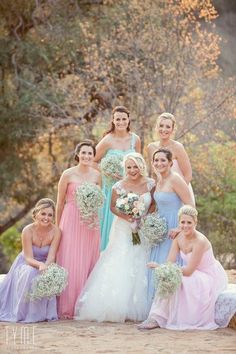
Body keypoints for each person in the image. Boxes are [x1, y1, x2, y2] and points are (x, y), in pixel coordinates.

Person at [74, 153, 155, 322]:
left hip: (143, 228)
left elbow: (153, 204)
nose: (132, 170)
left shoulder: (150, 184)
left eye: (135, 167)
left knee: (140, 260)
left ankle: (137, 306)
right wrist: (129, 218)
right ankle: (116, 306)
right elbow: (112, 207)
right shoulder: (118, 186)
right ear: (124, 169)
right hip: (123, 228)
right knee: (121, 259)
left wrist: (143, 217)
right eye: (128, 167)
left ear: (141, 167)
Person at [138, 205, 228, 330]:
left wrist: (160, 267)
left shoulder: (200, 241)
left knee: (180, 279)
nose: (185, 226)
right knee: (167, 277)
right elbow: (170, 262)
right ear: (179, 222)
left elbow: (189, 271)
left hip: (207, 275)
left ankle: (174, 317)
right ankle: (156, 317)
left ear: (196, 222)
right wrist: (163, 269)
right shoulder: (178, 238)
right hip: (191, 272)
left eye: (189, 222)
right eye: (182, 222)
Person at [56, 140, 101, 319]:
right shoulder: (67, 175)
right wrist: (57, 228)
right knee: (70, 259)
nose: (87, 156)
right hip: (71, 218)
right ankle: (67, 306)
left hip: (90, 222)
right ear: (77, 155)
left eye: (90, 153)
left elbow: (100, 200)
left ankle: (84, 305)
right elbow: (59, 203)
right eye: (84, 153)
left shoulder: (98, 176)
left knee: (87, 259)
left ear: (93, 156)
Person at [0, 198, 61, 323]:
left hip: (45, 263)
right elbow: (28, 258)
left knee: (47, 274)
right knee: (30, 272)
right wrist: (39, 265)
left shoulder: (56, 231)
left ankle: (39, 313)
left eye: (50, 215)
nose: (46, 217)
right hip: (26, 263)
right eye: (43, 213)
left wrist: (46, 267)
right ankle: (24, 313)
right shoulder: (27, 230)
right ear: (36, 214)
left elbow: (51, 256)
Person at [147, 148, 194, 309]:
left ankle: (171, 308)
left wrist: (180, 228)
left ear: (170, 163)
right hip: (160, 230)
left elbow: (190, 206)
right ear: (152, 163)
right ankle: (157, 308)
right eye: (156, 160)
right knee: (157, 264)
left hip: (174, 229)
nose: (159, 163)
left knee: (168, 265)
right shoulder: (158, 181)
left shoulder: (176, 179)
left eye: (163, 160)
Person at [94, 106, 141, 250]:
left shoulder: (135, 139)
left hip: (130, 190)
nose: (121, 122)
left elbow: (140, 163)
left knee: (129, 226)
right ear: (113, 121)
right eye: (118, 119)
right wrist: (106, 171)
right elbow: (92, 160)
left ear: (128, 120)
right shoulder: (107, 140)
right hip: (110, 190)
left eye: (124, 119)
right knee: (109, 229)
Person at [147, 112, 194, 201]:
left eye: (168, 127)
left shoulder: (178, 147)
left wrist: (177, 194)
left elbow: (188, 175)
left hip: (179, 193)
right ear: (157, 127)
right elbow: (154, 174)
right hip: (160, 194)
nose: (164, 129)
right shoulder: (151, 148)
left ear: (172, 130)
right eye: (161, 125)